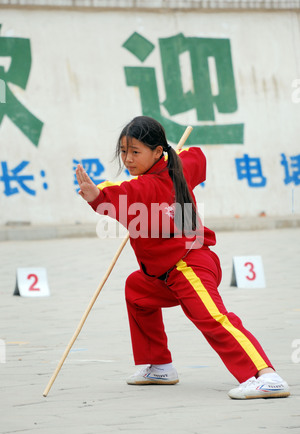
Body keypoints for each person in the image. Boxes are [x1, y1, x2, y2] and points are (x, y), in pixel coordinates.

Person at [75, 116, 290, 400]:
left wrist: (96, 196)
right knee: (136, 289)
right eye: (124, 151)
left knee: (214, 319)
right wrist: (177, 156)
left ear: (157, 151)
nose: (127, 159)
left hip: (189, 266)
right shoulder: (179, 167)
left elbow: (119, 193)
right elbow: (197, 156)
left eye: (135, 152)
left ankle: (266, 376)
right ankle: (159, 366)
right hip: (164, 273)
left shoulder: (147, 185)